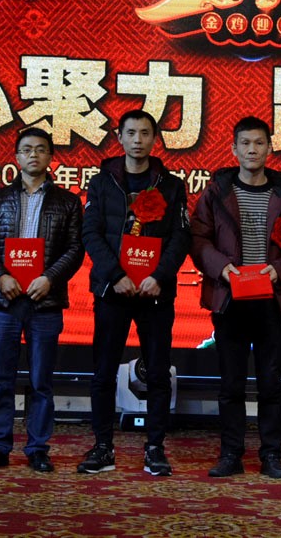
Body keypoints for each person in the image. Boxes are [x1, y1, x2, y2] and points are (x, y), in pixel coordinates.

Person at [190, 116, 281, 479]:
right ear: (233, 149)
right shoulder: (217, 192)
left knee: (271, 382)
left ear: (270, 148)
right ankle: (231, 453)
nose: (252, 150)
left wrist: (279, 270)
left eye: (259, 143)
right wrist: (222, 268)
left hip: (272, 300)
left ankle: (272, 454)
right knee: (231, 383)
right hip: (230, 298)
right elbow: (198, 239)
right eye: (245, 143)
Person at [77, 110, 191, 476]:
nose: (138, 140)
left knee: (157, 372)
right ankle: (102, 447)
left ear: (155, 139)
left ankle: (155, 447)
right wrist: (115, 274)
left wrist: (159, 275)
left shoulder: (171, 185)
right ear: (119, 137)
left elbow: (180, 237)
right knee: (103, 372)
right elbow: (90, 233)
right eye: (131, 133)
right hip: (113, 289)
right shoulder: (102, 182)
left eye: (144, 133)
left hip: (154, 291)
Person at [0, 128, 84, 474]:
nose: (33, 155)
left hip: (44, 300)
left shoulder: (67, 202)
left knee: (41, 381)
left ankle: (37, 448)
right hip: (4, 300)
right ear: (17, 156)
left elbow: (75, 248)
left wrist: (49, 278)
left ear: (51, 157)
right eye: (26, 149)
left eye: (41, 149)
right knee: (1, 378)